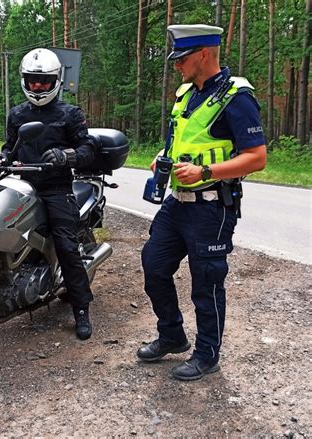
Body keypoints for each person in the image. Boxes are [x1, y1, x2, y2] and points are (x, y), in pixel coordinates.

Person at [137, 24, 267, 380]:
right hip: (176, 203)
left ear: (204, 55)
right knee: (154, 265)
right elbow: (178, 139)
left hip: (211, 206)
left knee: (206, 282)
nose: (177, 66)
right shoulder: (185, 94)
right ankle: (172, 335)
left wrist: (206, 171)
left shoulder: (236, 96)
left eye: (182, 59)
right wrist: (161, 155)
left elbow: (256, 157)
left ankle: (207, 354)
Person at [0, 48, 96, 340]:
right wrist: (1, 158)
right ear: (24, 81)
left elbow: (88, 149)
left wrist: (67, 155)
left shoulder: (70, 113)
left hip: (56, 188)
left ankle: (81, 308)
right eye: (32, 81)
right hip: (22, 186)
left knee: (65, 244)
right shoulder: (17, 114)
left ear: (56, 81)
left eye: (44, 81)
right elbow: (9, 146)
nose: (37, 86)